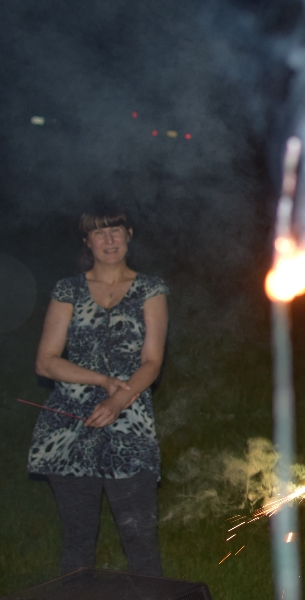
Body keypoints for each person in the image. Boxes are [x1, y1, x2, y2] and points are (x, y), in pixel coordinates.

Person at [28, 204, 168, 576]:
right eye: (99, 233)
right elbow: (46, 361)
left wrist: (120, 398)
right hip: (70, 424)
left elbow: (152, 361)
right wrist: (102, 380)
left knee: (141, 543)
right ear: (87, 241)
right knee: (77, 541)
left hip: (130, 423)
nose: (109, 240)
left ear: (129, 235)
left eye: (116, 230)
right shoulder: (67, 290)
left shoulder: (150, 289)